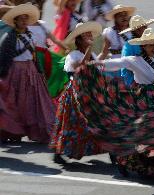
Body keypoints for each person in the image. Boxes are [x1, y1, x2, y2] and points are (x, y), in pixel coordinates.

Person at [77, 28, 154, 177]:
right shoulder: (135, 60)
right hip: (143, 100)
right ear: (143, 47)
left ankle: (153, 163)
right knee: (146, 132)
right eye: (150, 44)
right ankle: (125, 160)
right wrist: (95, 64)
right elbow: (117, 63)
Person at [49, 21, 103, 163]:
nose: (89, 36)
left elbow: (99, 68)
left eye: (90, 34)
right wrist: (89, 51)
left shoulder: (93, 55)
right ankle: (59, 151)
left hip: (89, 93)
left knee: (92, 123)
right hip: (75, 94)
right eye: (86, 34)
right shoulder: (73, 55)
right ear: (78, 39)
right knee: (71, 124)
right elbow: (78, 68)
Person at [0, 4, 54, 143]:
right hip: (15, 71)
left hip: (30, 72)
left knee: (32, 102)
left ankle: (35, 131)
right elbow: (5, 56)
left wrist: (39, 71)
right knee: (14, 102)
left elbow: (34, 55)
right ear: (15, 21)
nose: (24, 21)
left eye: (26, 18)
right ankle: (12, 131)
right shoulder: (10, 36)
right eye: (21, 19)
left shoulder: (30, 34)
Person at [97, 5, 135, 77]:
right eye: (120, 16)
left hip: (133, 66)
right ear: (115, 18)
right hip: (117, 67)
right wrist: (94, 64)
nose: (124, 17)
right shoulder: (110, 32)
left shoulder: (135, 30)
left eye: (125, 15)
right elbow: (104, 52)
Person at [119, 15, 154, 86]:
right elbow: (126, 64)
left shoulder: (148, 41)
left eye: (145, 27)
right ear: (137, 30)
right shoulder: (129, 45)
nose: (146, 29)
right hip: (134, 82)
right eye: (144, 27)